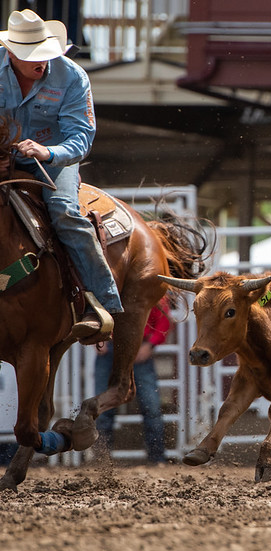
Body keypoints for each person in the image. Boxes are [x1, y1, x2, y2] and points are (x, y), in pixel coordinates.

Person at [0, 9, 121, 341]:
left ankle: (102, 305)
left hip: (53, 161)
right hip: (1, 157)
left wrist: (47, 152)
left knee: (65, 212)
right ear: (10, 53)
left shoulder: (72, 78)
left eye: (44, 55)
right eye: (31, 57)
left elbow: (80, 138)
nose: (40, 62)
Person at [93, 298, 171, 464]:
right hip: (117, 347)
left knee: (151, 406)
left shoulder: (144, 289)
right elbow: (164, 321)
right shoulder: (145, 289)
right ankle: (102, 460)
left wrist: (149, 345)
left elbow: (164, 321)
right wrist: (98, 336)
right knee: (102, 409)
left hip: (133, 347)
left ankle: (156, 458)